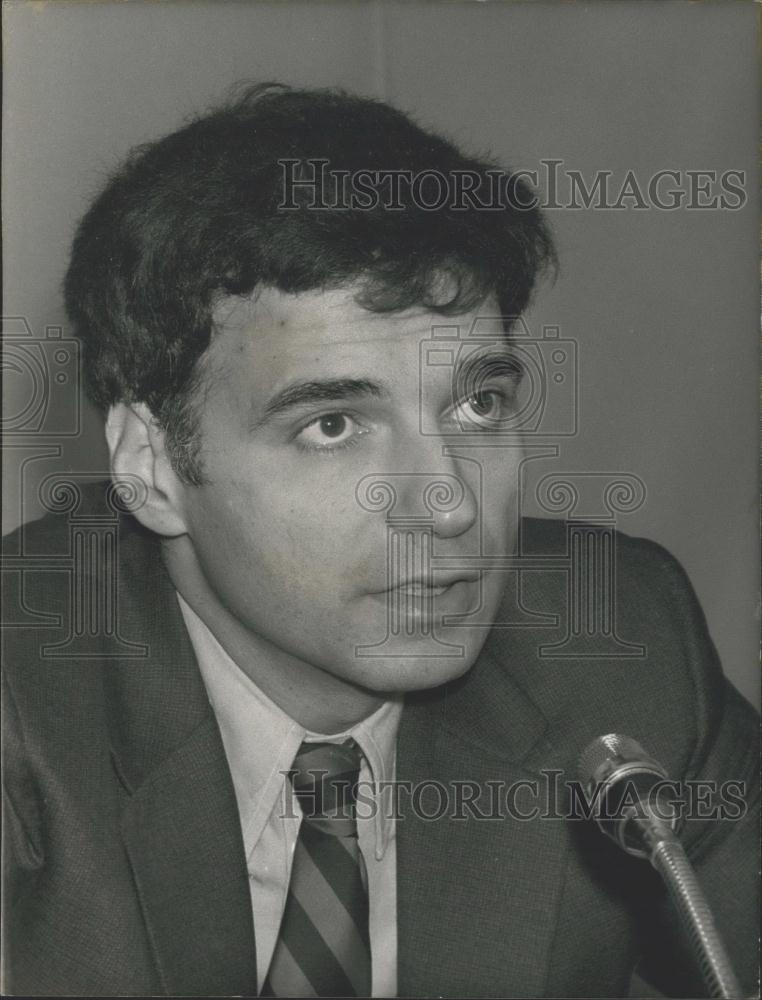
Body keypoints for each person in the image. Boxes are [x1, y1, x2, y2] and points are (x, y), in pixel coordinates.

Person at [1, 83, 757, 999]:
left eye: (479, 404)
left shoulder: (618, 651)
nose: (447, 507)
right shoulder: (22, 702)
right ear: (150, 466)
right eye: (332, 425)